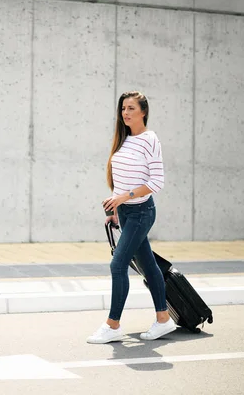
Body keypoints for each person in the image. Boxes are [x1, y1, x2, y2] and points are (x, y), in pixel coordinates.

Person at [87, 91, 176, 344]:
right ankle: (163, 319)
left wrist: (123, 198)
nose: (125, 113)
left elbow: (157, 182)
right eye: (123, 108)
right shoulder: (124, 140)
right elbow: (121, 178)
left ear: (143, 112)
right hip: (125, 213)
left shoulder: (150, 140)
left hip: (141, 212)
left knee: (118, 265)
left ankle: (113, 325)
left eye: (131, 108)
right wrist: (115, 210)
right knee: (149, 265)